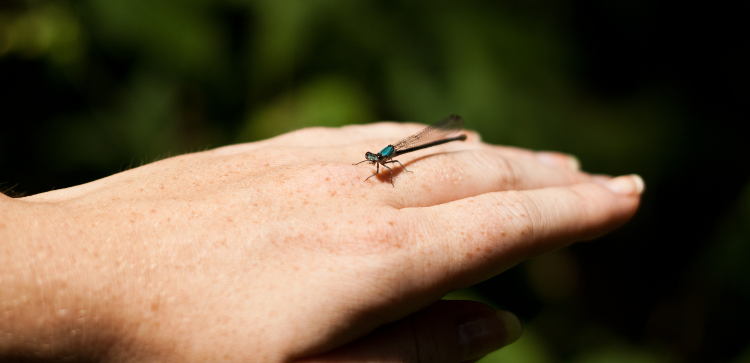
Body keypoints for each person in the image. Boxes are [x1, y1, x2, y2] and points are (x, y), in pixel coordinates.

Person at [0, 120, 643, 362]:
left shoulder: (394, 157)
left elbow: (396, 163)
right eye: (374, 161)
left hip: (434, 139)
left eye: (376, 160)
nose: (373, 163)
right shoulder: (377, 158)